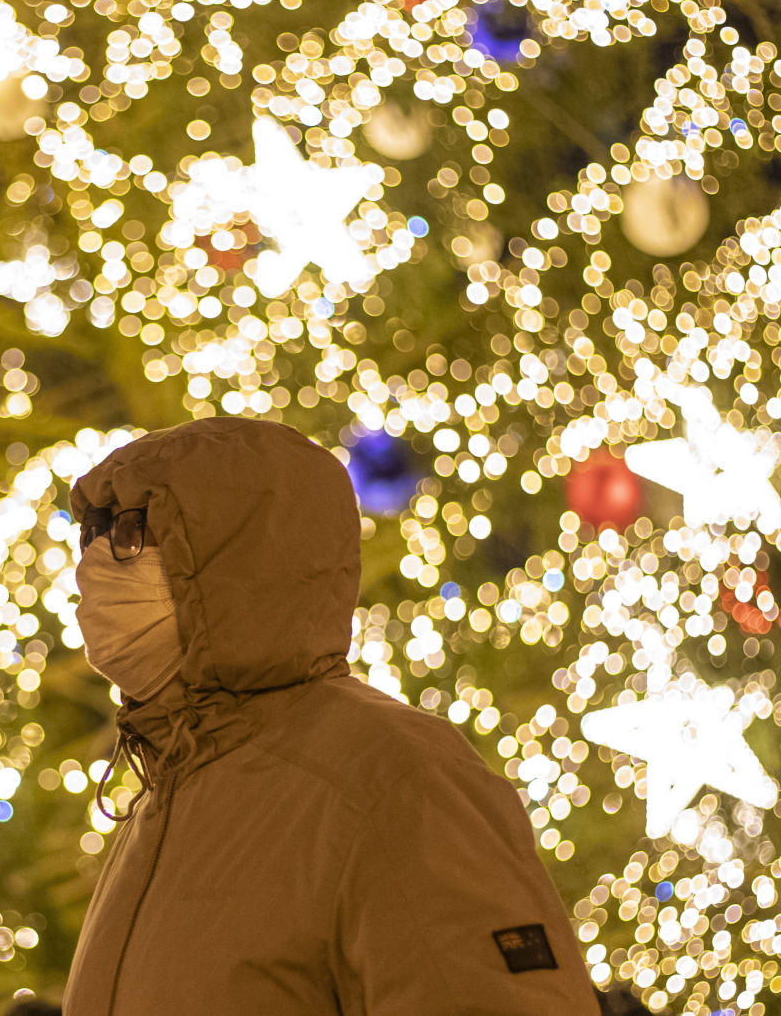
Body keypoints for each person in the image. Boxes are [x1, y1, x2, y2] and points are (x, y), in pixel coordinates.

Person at [62, 418, 598, 1015]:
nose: (94, 567)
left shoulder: (393, 776)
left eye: (132, 531)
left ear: (239, 555)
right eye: (91, 535)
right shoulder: (172, 791)